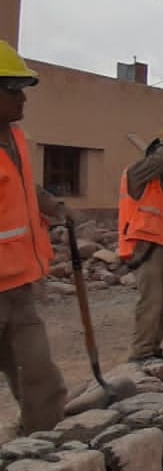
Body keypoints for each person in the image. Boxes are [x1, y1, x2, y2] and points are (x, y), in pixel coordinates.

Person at [0, 41, 69, 434]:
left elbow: (26, 187)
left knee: (39, 375)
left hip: (17, 286)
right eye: (13, 89)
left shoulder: (15, 138)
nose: (23, 98)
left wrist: (55, 206)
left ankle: (47, 449)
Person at [119, 131, 163, 364]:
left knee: (162, 300)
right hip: (143, 249)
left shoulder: (158, 188)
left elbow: (162, 221)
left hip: (161, 248)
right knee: (151, 300)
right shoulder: (135, 174)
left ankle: (153, 347)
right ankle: (141, 352)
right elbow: (162, 159)